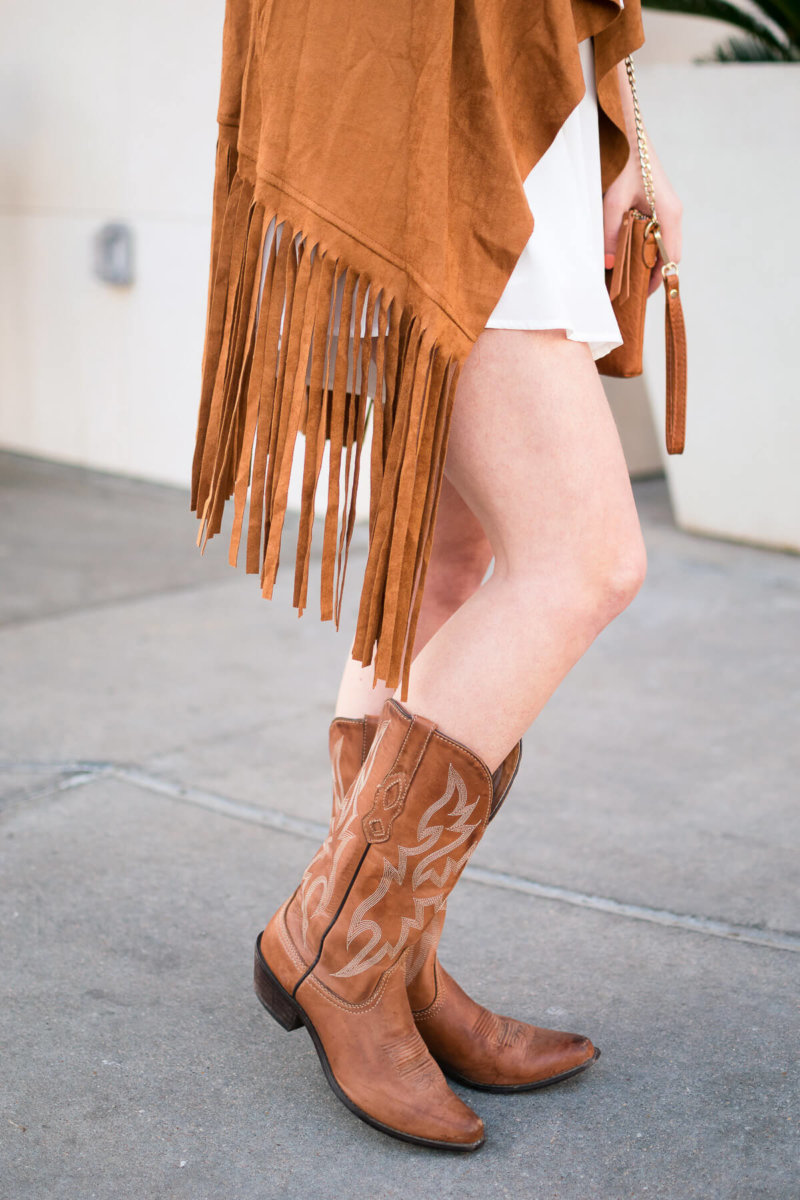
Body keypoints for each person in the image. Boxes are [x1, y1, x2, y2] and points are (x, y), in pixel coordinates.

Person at [193, 0, 682, 1151]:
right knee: (585, 559)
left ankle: (394, 962)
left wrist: (626, 131)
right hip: (417, 94)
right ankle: (336, 944)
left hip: (507, 94)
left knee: (447, 558)